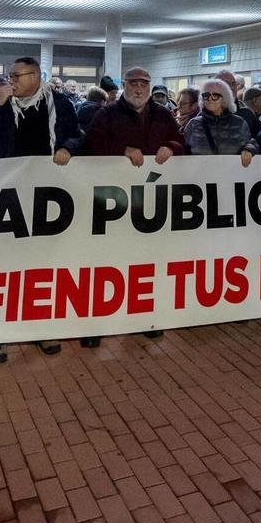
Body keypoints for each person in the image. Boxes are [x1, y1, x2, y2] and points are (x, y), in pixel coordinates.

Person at [0, 56, 80, 361]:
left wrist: (68, 147)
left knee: (41, 266)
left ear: (35, 76)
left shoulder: (59, 104)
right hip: (6, 196)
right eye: (9, 75)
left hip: (46, 196)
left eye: (16, 75)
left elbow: (77, 134)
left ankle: (40, 328)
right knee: (2, 267)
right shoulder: (1, 106)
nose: (11, 80)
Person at [78, 67, 183, 347]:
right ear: (124, 85)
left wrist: (171, 147)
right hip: (111, 202)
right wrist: (122, 150)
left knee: (144, 264)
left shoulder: (163, 115)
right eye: (133, 83)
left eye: (143, 84)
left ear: (150, 87)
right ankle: (95, 324)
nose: (138, 88)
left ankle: (144, 318)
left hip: (148, 203)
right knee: (105, 265)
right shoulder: (107, 114)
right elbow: (90, 145)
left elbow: (180, 141)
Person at [182, 79, 256, 165]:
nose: (210, 99)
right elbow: (183, 150)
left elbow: (251, 142)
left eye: (215, 95)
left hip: (232, 171)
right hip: (200, 172)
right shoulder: (193, 124)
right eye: (206, 95)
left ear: (225, 99)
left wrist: (248, 150)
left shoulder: (239, 123)